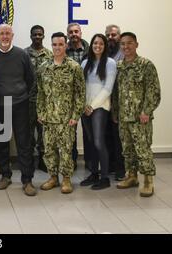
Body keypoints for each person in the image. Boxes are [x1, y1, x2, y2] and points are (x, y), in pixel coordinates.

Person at [0, 24, 37, 196]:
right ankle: (5, 175)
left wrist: (23, 96)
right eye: (2, 33)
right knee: (1, 143)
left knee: (24, 144)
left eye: (8, 33)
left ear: (12, 35)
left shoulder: (22, 55)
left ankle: (27, 180)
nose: (5, 36)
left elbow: (31, 79)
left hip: (21, 105)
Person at [113, 32, 161, 197]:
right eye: (123, 44)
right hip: (124, 117)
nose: (126, 47)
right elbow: (116, 92)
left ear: (136, 44)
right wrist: (115, 112)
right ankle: (132, 176)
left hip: (140, 118)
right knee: (127, 150)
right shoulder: (119, 66)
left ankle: (148, 181)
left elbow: (153, 91)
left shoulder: (146, 65)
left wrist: (146, 111)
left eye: (129, 43)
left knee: (143, 150)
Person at [37, 32, 85, 194]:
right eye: (54, 44)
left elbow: (80, 93)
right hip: (49, 117)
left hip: (66, 118)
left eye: (60, 44)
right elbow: (40, 93)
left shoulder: (73, 67)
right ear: (51, 46)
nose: (57, 47)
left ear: (66, 45)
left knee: (65, 150)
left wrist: (75, 115)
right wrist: (41, 112)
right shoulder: (44, 67)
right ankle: (52, 177)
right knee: (49, 149)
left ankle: (66, 179)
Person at [79, 34, 116, 190]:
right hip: (85, 108)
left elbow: (108, 88)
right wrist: (84, 105)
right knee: (91, 142)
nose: (98, 46)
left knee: (99, 142)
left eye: (101, 43)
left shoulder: (110, 63)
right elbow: (81, 87)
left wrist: (92, 106)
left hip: (100, 107)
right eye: (95, 43)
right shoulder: (85, 63)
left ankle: (105, 177)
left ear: (105, 45)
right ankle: (94, 173)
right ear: (91, 45)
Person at [24, 25, 53, 173]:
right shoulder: (24, 54)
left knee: (44, 132)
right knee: (28, 132)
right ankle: (28, 160)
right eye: (34, 34)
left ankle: (43, 159)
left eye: (39, 34)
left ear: (43, 36)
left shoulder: (49, 55)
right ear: (30, 36)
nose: (37, 37)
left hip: (44, 101)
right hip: (27, 100)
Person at [66, 23, 91, 171]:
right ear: (67, 34)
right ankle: (72, 161)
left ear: (81, 33)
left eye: (76, 31)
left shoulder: (90, 50)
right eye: (71, 32)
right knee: (71, 132)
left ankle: (90, 161)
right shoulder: (63, 50)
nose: (74, 34)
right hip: (70, 98)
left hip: (88, 96)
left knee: (89, 132)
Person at [105, 24, 125, 180]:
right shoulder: (104, 53)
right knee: (107, 137)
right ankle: (111, 166)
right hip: (105, 103)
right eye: (108, 35)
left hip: (120, 104)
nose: (111, 38)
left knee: (119, 138)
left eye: (113, 35)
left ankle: (121, 170)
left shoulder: (124, 54)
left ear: (119, 36)